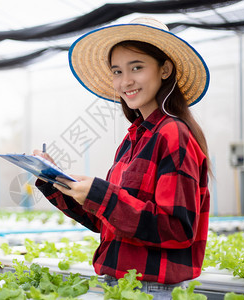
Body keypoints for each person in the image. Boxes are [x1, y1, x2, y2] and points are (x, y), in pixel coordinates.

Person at [33, 17, 210, 298]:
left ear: (165, 69)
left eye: (136, 67)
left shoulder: (172, 134)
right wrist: (53, 180)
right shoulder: (132, 140)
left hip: (153, 290)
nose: (125, 81)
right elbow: (110, 222)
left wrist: (101, 194)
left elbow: (177, 228)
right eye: (117, 71)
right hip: (118, 286)